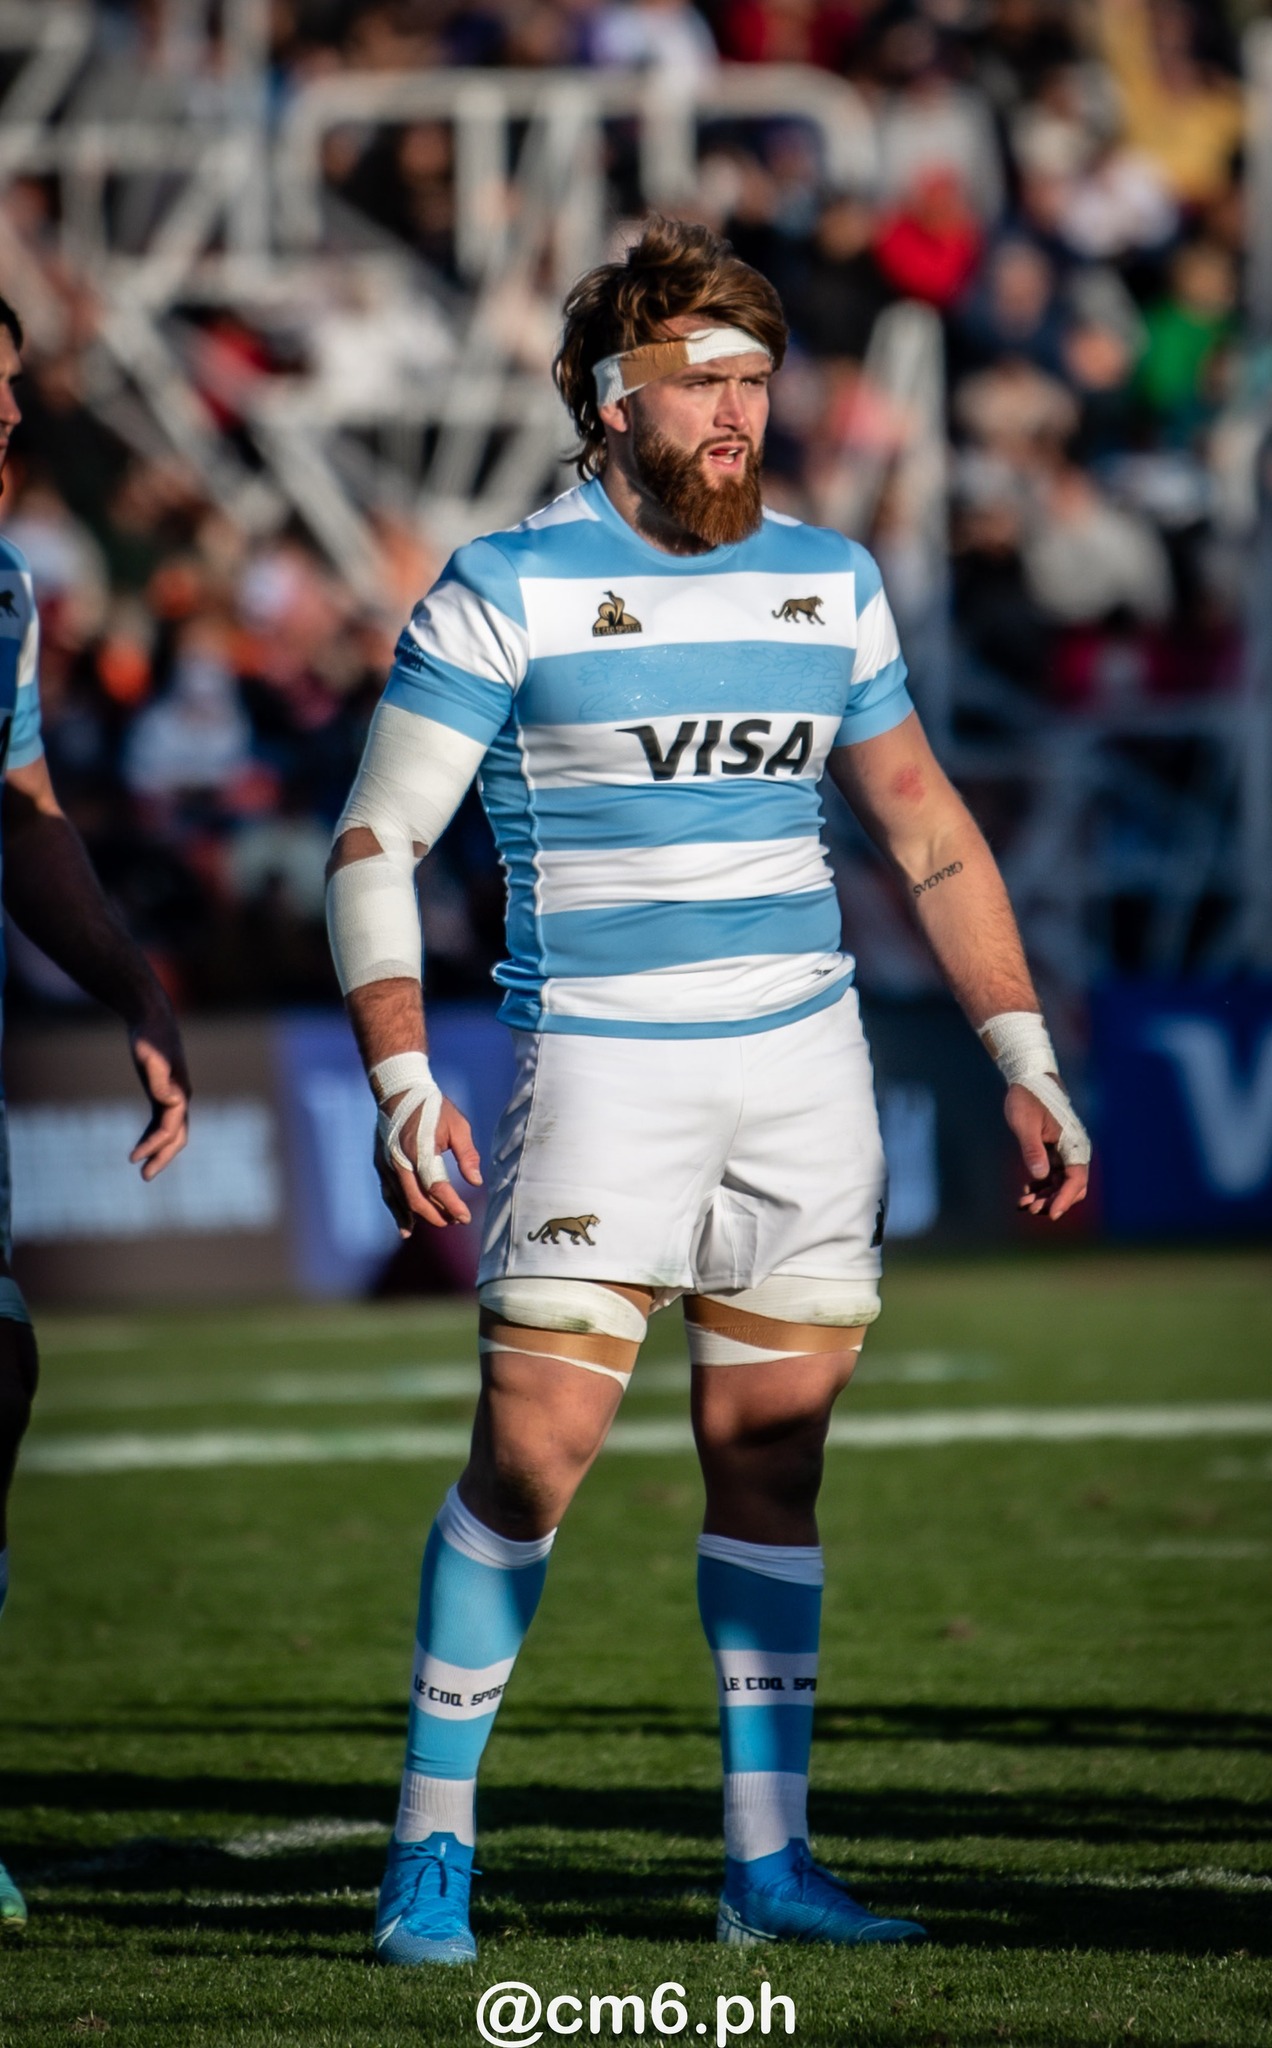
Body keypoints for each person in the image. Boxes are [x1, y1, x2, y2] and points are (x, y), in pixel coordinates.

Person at [325, 217, 1090, 1966]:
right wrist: (394, 1069)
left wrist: (1023, 1056)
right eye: (699, 386)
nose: (737, 415)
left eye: (755, 381)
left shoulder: (828, 576)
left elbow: (926, 834)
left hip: (808, 1072)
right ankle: (429, 1847)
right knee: (535, 1458)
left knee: (774, 1461)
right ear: (610, 405)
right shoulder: (501, 584)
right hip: (602, 1065)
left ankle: (770, 1867)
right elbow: (376, 843)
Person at [0, 297, 192, 1934]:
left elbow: (26, 808)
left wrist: (131, 986)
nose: (5, 431)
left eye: (10, 401)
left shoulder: (3, 595)